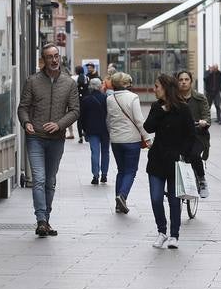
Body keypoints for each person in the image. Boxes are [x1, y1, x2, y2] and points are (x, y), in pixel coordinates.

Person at [16, 43, 80, 237]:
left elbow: (75, 110)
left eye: (56, 56)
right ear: (43, 60)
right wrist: (26, 122)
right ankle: (41, 220)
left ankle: (47, 219)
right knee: (39, 179)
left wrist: (60, 125)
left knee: (50, 181)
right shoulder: (32, 81)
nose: (54, 60)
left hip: (56, 139)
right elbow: (22, 107)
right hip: (35, 136)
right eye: (49, 57)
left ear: (59, 58)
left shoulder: (69, 83)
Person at [143, 74, 197, 249]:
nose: (154, 89)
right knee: (156, 198)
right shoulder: (156, 107)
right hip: (157, 160)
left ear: (165, 88)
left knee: (174, 201)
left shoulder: (183, 108)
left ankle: (174, 235)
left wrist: (184, 155)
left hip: (176, 161)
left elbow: (191, 136)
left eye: (157, 86)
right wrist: (161, 111)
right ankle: (161, 231)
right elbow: (148, 127)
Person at [105, 72, 144, 214]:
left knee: (121, 171)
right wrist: (147, 137)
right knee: (131, 171)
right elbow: (139, 121)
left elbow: (109, 120)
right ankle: (122, 196)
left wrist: (112, 134)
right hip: (131, 140)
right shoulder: (133, 97)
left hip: (116, 140)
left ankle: (118, 203)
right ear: (126, 84)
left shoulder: (109, 98)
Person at [177, 70, 212, 198]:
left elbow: (207, 117)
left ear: (191, 82)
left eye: (186, 79)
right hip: (179, 136)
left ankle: (202, 180)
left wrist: (204, 122)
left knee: (193, 154)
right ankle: (170, 184)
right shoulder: (174, 99)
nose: (183, 82)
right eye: (181, 80)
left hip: (198, 135)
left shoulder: (200, 98)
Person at [79, 78, 110, 185]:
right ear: (100, 86)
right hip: (105, 130)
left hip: (92, 130)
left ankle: (95, 176)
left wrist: (84, 130)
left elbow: (81, 117)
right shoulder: (105, 98)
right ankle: (104, 175)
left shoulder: (86, 100)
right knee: (105, 151)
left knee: (95, 152)